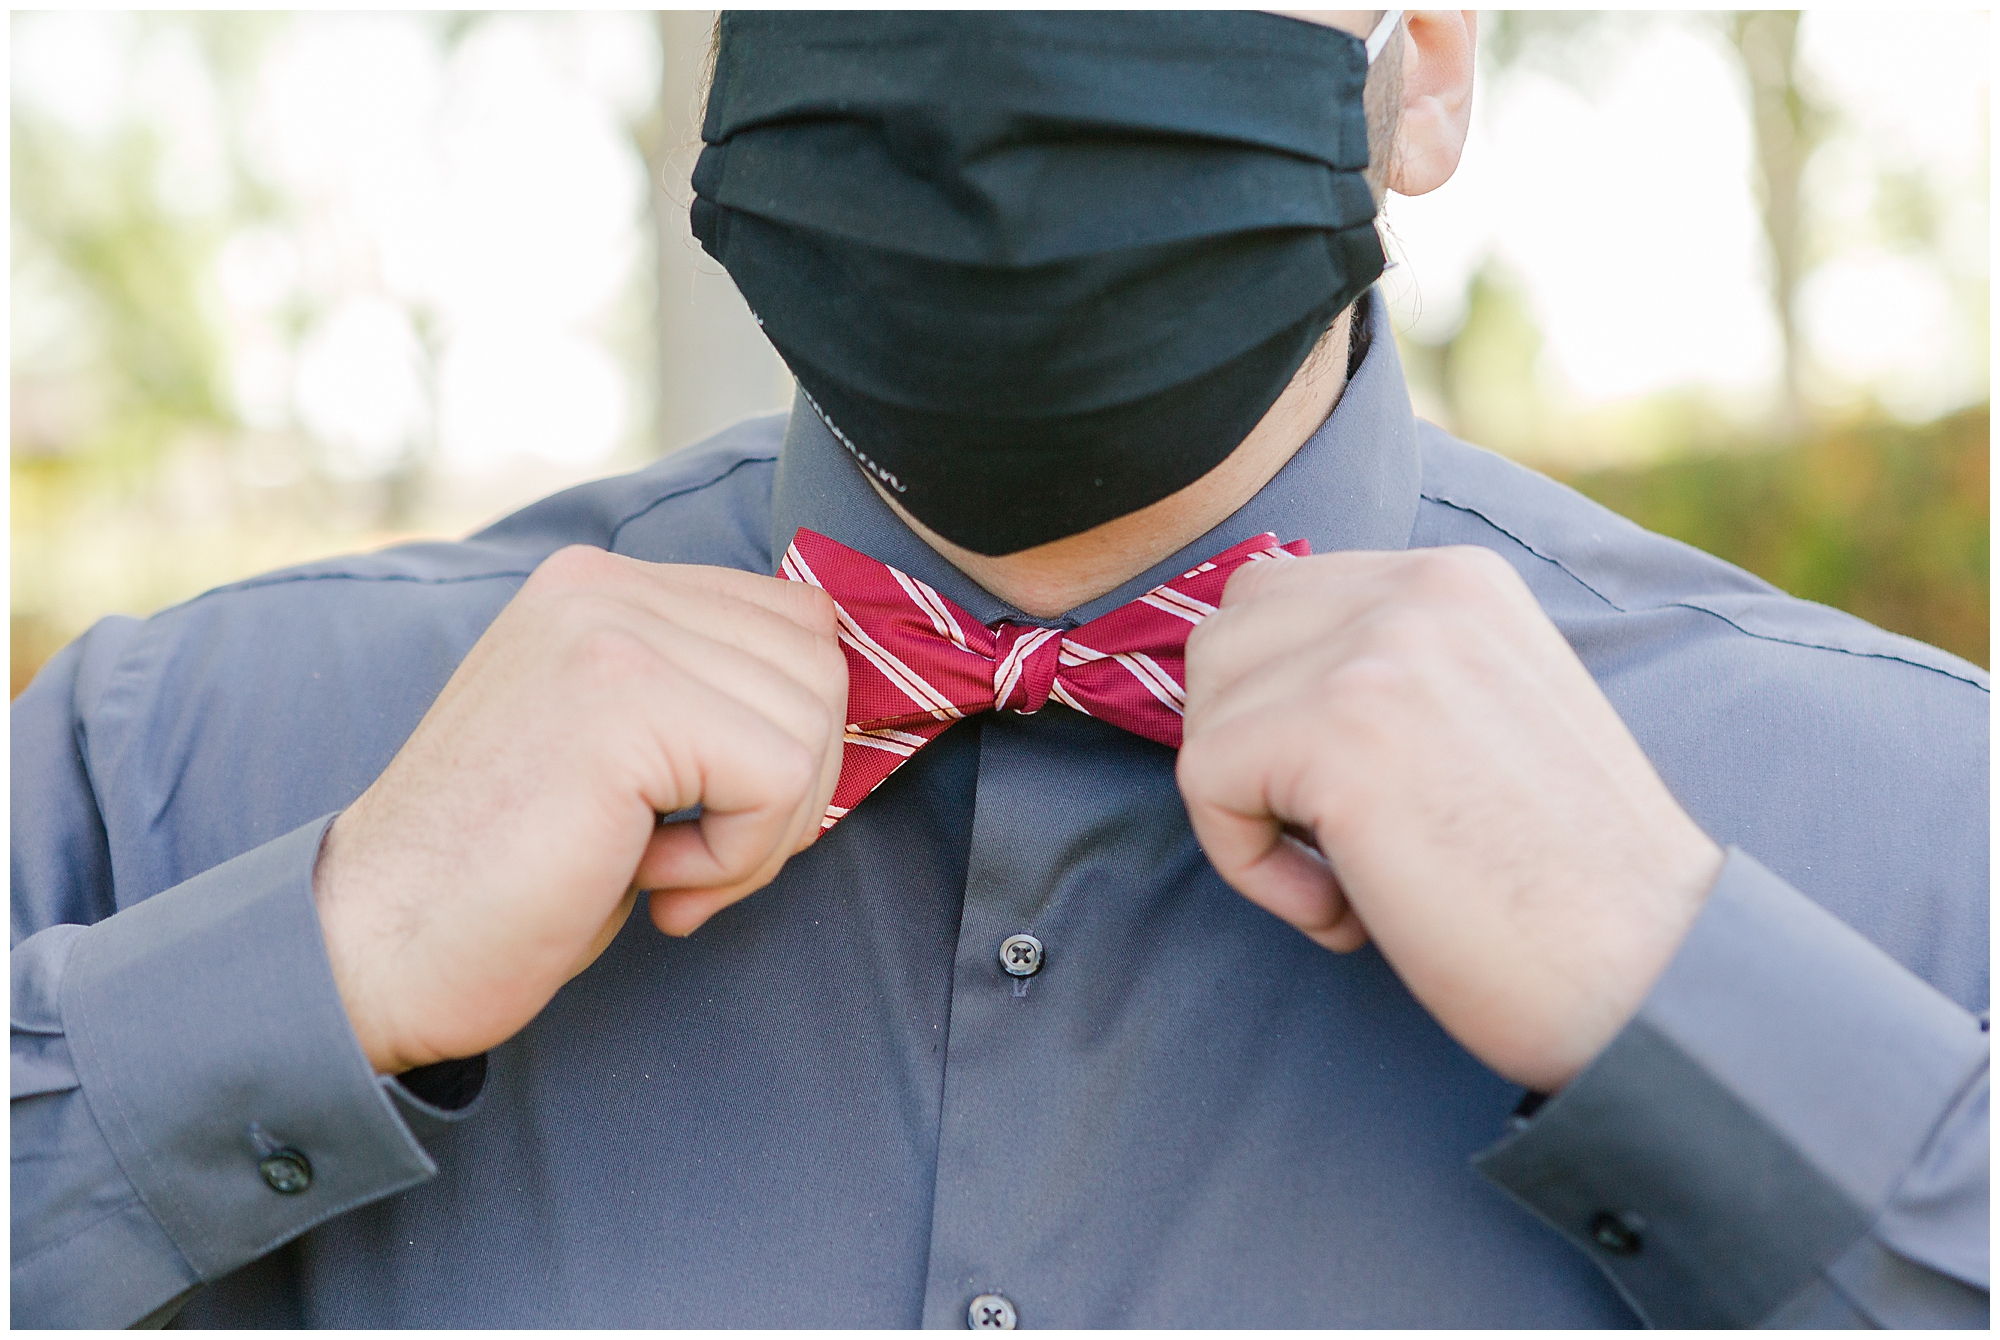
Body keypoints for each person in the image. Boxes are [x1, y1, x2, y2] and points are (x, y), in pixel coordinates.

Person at [10, 10, 1987, 1329]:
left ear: (1426, 74)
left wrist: (1693, 1003)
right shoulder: (160, 766)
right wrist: (315, 970)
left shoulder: (1920, 824)